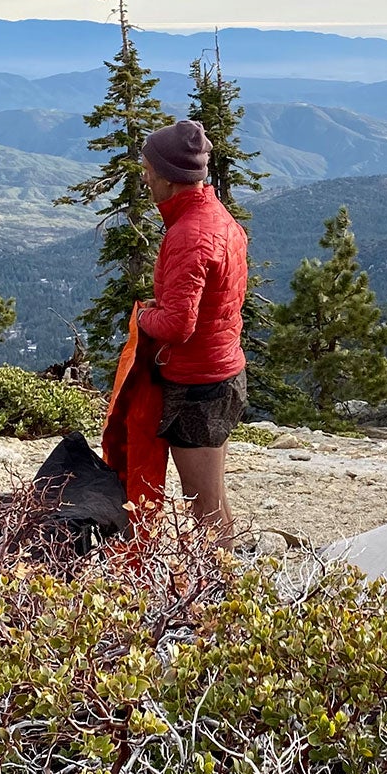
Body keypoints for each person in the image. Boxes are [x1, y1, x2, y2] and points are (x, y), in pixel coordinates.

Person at [137, 119, 249, 543]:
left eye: (148, 169)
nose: (145, 177)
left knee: (202, 504)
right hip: (221, 373)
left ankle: (218, 592)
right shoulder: (215, 216)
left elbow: (178, 326)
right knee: (212, 496)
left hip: (199, 385)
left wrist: (142, 317)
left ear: (169, 176)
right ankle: (224, 581)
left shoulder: (189, 234)